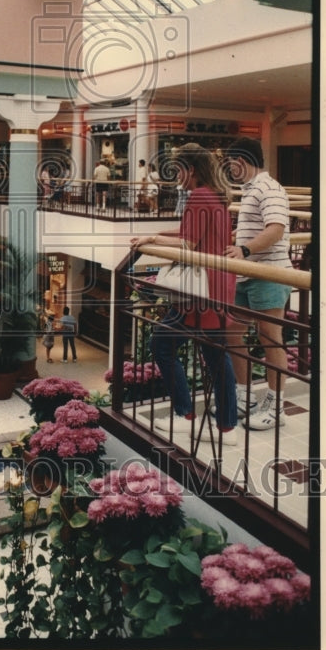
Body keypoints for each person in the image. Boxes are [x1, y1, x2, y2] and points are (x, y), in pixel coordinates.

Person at [131, 142, 238, 445]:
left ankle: (184, 415)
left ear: (190, 169)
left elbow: (189, 245)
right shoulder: (215, 196)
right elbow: (193, 235)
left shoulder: (199, 196)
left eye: (178, 169)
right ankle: (228, 427)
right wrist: (156, 235)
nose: (175, 174)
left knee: (162, 345)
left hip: (198, 292)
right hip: (217, 287)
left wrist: (152, 238)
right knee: (216, 356)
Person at [223, 137, 294, 431]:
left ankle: (276, 406)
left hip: (269, 274)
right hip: (246, 274)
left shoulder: (269, 188)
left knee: (270, 338)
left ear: (240, 161)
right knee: (232, 332)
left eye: (230, 164)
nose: (229, 169)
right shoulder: (251, 190)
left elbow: (276, 230)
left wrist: (245, 250)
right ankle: (244, 395)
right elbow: (254, 227)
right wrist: (237, 244)